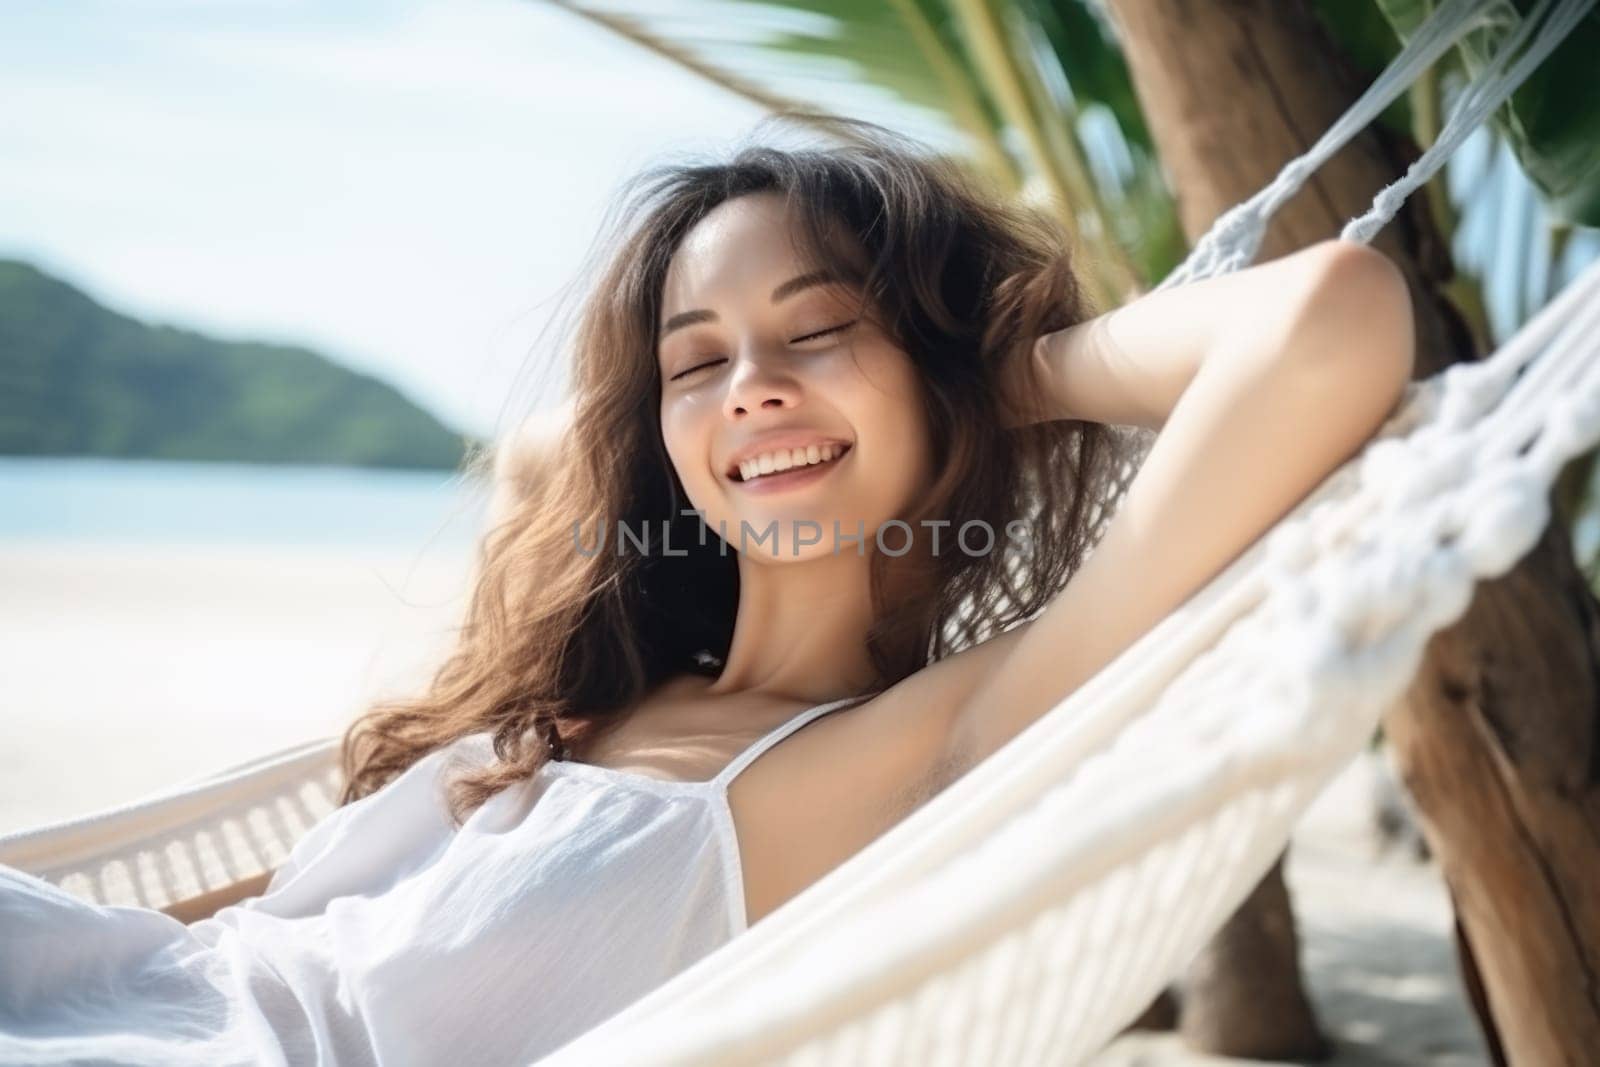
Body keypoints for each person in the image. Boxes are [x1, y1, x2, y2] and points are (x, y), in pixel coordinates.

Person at [0, 113, 1414, 1066]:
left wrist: (980, 376)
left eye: (818, 330)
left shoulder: (928, 750)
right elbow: (551, 451)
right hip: (97, 985)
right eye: (698, 360)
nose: (755, 389)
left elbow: (1326, 319)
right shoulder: (574, 674)